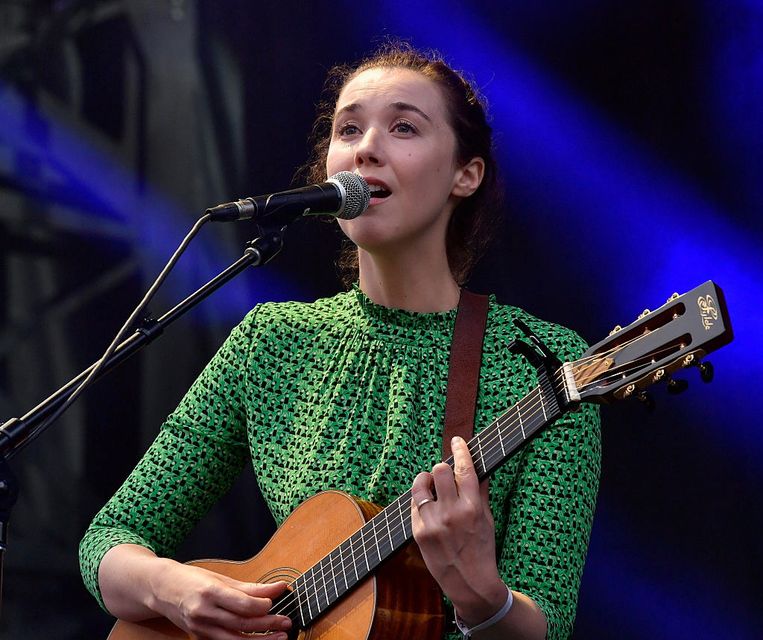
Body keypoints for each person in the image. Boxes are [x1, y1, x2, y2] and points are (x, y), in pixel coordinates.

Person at [79, 42, 601, 640]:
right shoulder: (272, 343)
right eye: (348, 129)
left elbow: (548, 627)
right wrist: (176, 590)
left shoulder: (544, 364)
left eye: (403, 127)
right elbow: (109, 541)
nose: (366, 147)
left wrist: (479, 594)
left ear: (467, 174)